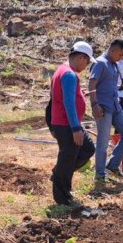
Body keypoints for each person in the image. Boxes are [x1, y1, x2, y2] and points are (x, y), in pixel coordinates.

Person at [47, 41, 96, 208]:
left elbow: (66, 96)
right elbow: (68, 103)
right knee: (68, 158)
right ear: (81, 57)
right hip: (67, 124)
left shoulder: (63, 70)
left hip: (66, 123)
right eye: (87, 61)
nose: (87, 65)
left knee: (86, 149)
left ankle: (60, 173)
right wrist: (76, 128)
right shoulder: (68, 74)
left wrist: (80, 95)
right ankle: (63, 198)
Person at [89, 39, 123, 181]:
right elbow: (92, 83)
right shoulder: (100, 63)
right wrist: (94, 104)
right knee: (103, 142)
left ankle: (112, 165)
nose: (121, 58)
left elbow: (108, 85)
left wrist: (120, 88)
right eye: (120, 55)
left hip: (116, 105)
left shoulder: (114, 64)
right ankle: (100, 174)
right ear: (113, 50)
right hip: (103, 107)